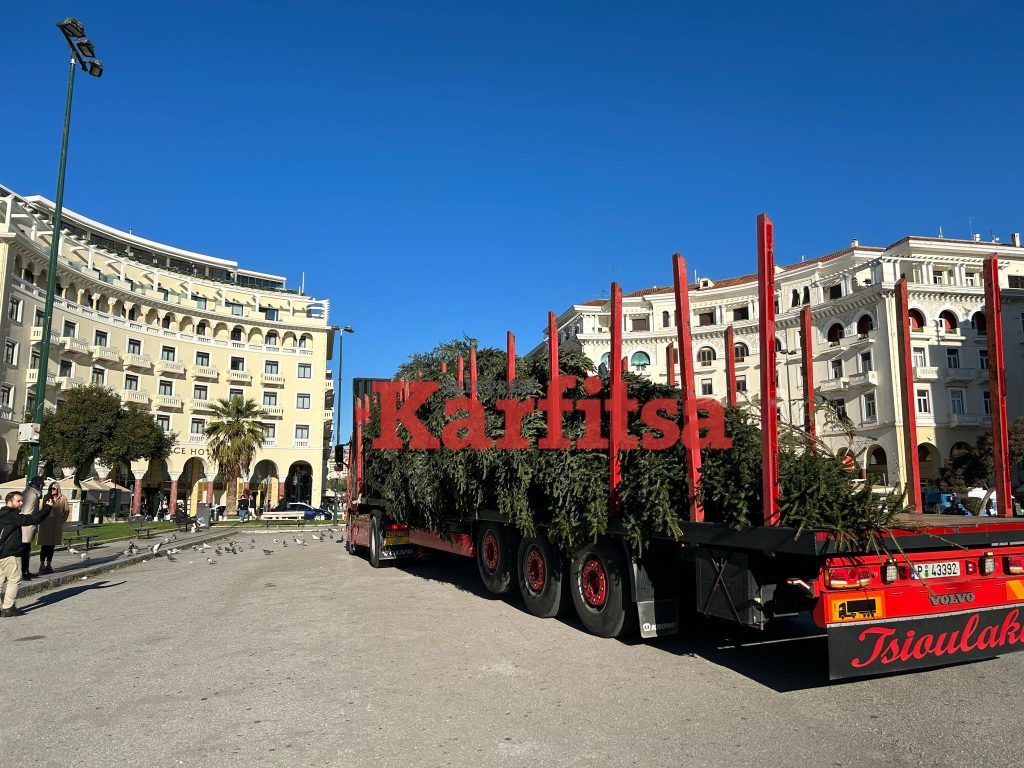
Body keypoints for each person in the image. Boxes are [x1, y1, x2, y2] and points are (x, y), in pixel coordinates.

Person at [0, 490, 52, 617]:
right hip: (9, 553)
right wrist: (47, 508)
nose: (21, 503)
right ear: (9, 502)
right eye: (18, 501)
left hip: (1, 553)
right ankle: (8, 607)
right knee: (15, 579)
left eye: (22, 500)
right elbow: (32, 519)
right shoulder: (12, 515)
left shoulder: (2, 514)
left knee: (0, 580)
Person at [36, 482, 69, 575]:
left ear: (58, 489)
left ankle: (49, 564)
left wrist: (62, 520)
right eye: (50, 488)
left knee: (52, 546)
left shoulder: (63, 498)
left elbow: (66, 511)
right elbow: (41, 509)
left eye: (54, 488)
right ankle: (42, 564)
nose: (52, 490)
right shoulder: (46, 497)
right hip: (46, 525)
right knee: (44, 545)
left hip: (56, 525)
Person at [19, 477, 43, 580]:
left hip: (24, 525)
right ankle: (24, 572)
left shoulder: (26, 491)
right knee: (25, 549)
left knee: (25, 549)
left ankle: (24, 570)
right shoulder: (32, 494)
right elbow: (29, 511)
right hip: (27, 526)